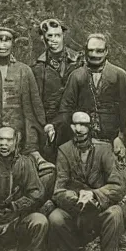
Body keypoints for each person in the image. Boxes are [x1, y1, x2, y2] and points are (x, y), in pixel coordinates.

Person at [0, 26, 55, 195]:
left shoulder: (24, 70)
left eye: (7, 40)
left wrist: (44, 125)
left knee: (24, 173)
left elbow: (35, 103)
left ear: (12, 43)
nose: (3, 44)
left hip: (19, 133)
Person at [48, 112, 126, 251]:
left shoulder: (104, 149)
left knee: (115, 212)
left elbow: (118, 186)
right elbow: (59, 189)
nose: (79, 129)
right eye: (75, 124)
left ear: (91, 127)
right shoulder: (64, 150)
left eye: (84, 125)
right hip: (75, 209)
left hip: (99, 209)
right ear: (71, 127)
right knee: (56, 217)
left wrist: (94, 195)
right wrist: (76, 197)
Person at [57, 33, 126, 159]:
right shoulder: (76, 76)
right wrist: (74, 132)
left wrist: (121, 137)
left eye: (99, 51)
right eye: (90, 50)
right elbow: (65, 109)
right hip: (83, 140)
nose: (94, 54)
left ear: (106, 51)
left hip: (112, 141)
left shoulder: (119, 75)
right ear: (86, 51)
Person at [31, 18, 83, 161]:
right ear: (43, 38)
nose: (54, 40)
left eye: (57, 35)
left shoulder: (79, 61)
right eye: (50, 36)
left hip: (76, 122)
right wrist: (46, 126)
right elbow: (37, 102)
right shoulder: (38, 68)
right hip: (50, 126)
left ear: (63, 35)